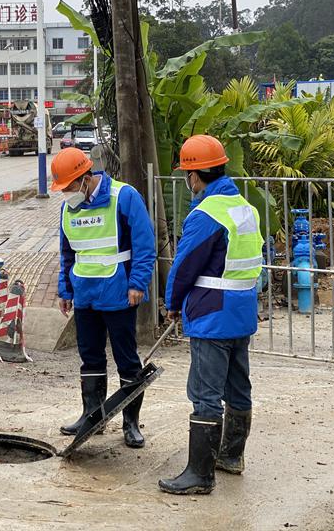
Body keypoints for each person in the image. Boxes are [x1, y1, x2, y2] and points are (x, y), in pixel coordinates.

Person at [158, 135, 263, 495]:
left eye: (187, 174)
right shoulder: (246, 209)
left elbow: (185, 265)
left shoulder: (205, 214)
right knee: (238, 386)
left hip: (212, 316)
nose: (188, 182)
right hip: (241, 313)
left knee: (205, 393)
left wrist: (172, 302)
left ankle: (200, 474)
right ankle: (231, 456)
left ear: (195, 175)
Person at [52, 148, 156, 448]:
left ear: (85, 179)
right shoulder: (68, 209)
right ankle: (92, 415)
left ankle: (130, 422)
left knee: (126, 359)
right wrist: (65, 290)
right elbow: (67, 253)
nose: (66, 194)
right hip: (85, 295)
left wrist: (137, 283)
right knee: (90, 357)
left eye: (69, 187)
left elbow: (144, 245)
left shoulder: (124, 197)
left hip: (119, 293)